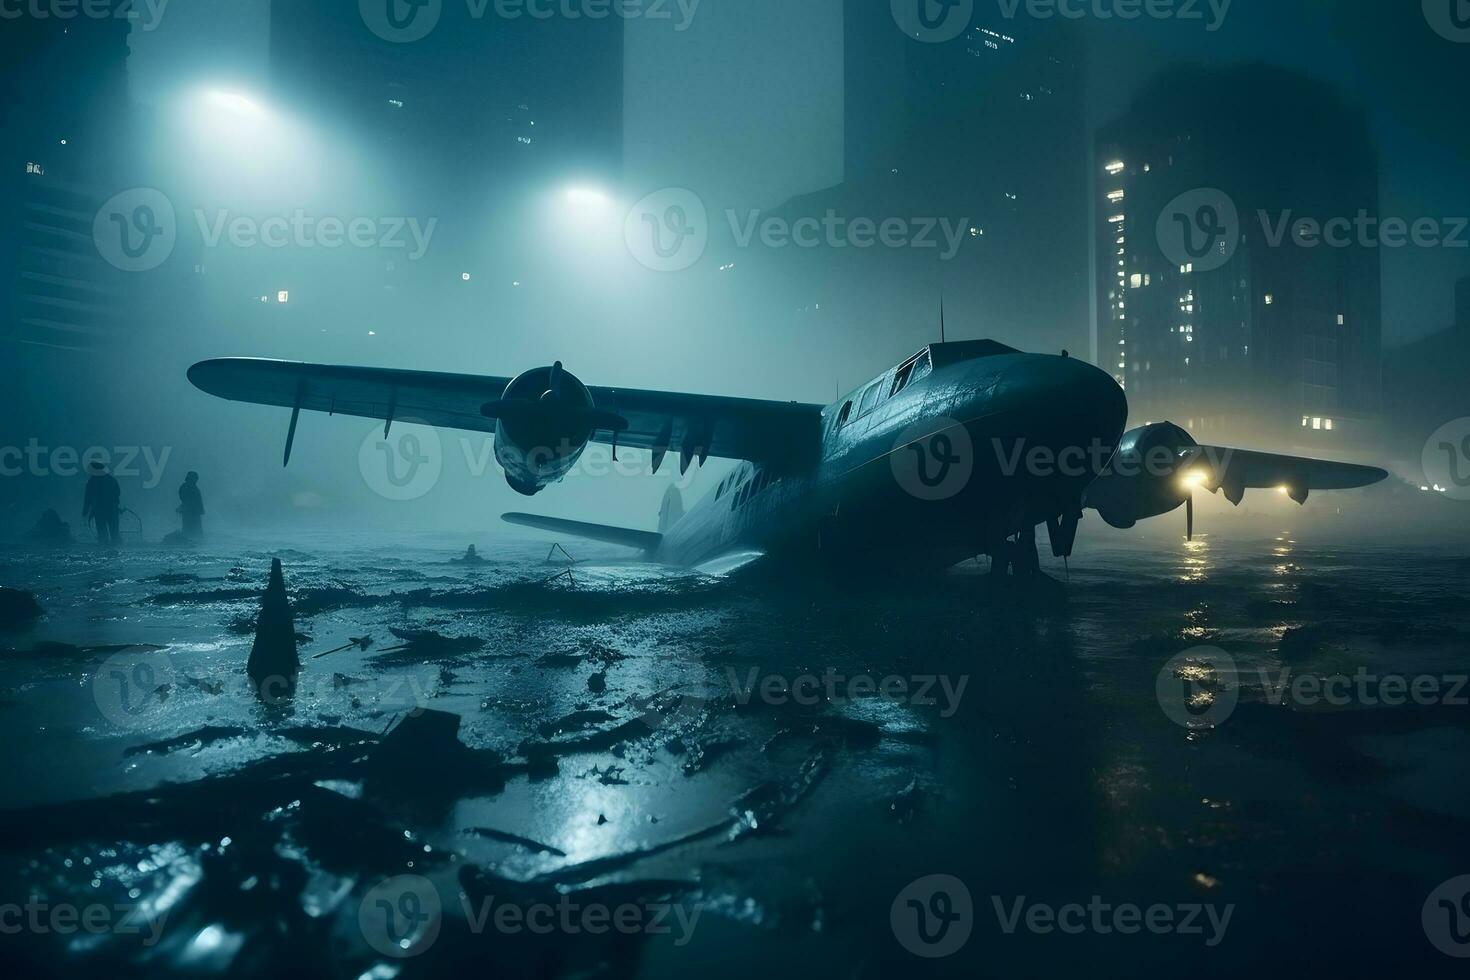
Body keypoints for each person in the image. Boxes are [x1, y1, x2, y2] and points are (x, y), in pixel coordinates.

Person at [83, 462, 122, 546]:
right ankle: (117, 547)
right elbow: (117, 494)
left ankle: (103, 547)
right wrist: (116, 506)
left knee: (102, 532)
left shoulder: (91, 482)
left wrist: (85, 511)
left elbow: (88, 498)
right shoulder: (111, 479)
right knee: (114, 531)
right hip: (112, 510)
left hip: (99, 511)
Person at [178, 471, 205, 540]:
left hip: (193, 511)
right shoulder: (187, 487)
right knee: (191, 529)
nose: (196, 480)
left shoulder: (189, 486)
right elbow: (184, 498)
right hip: (191, 512)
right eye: (195, 478)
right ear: (191, 478)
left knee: (193, 530)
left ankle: (190, 541)